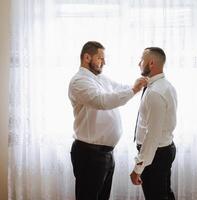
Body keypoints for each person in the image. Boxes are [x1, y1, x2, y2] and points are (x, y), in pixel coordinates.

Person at [68, 41, 147, 200]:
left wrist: (138, 85)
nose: (104, 62)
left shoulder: (100, 78)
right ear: (86, 57)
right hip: (89, 153)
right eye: (100, 58)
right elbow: (102, 101)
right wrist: (133, 90)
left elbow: (119, 88)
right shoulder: (79, 81)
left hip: (105, 153)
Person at [130, 47, 177, 200]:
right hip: (162, 150)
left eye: (141, 60)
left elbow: (153, 135)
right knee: (164, 194)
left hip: (156, 154)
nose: (138, 63)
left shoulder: (155, 93)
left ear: (151, 63)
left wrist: (138, 167)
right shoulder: (165, 86)